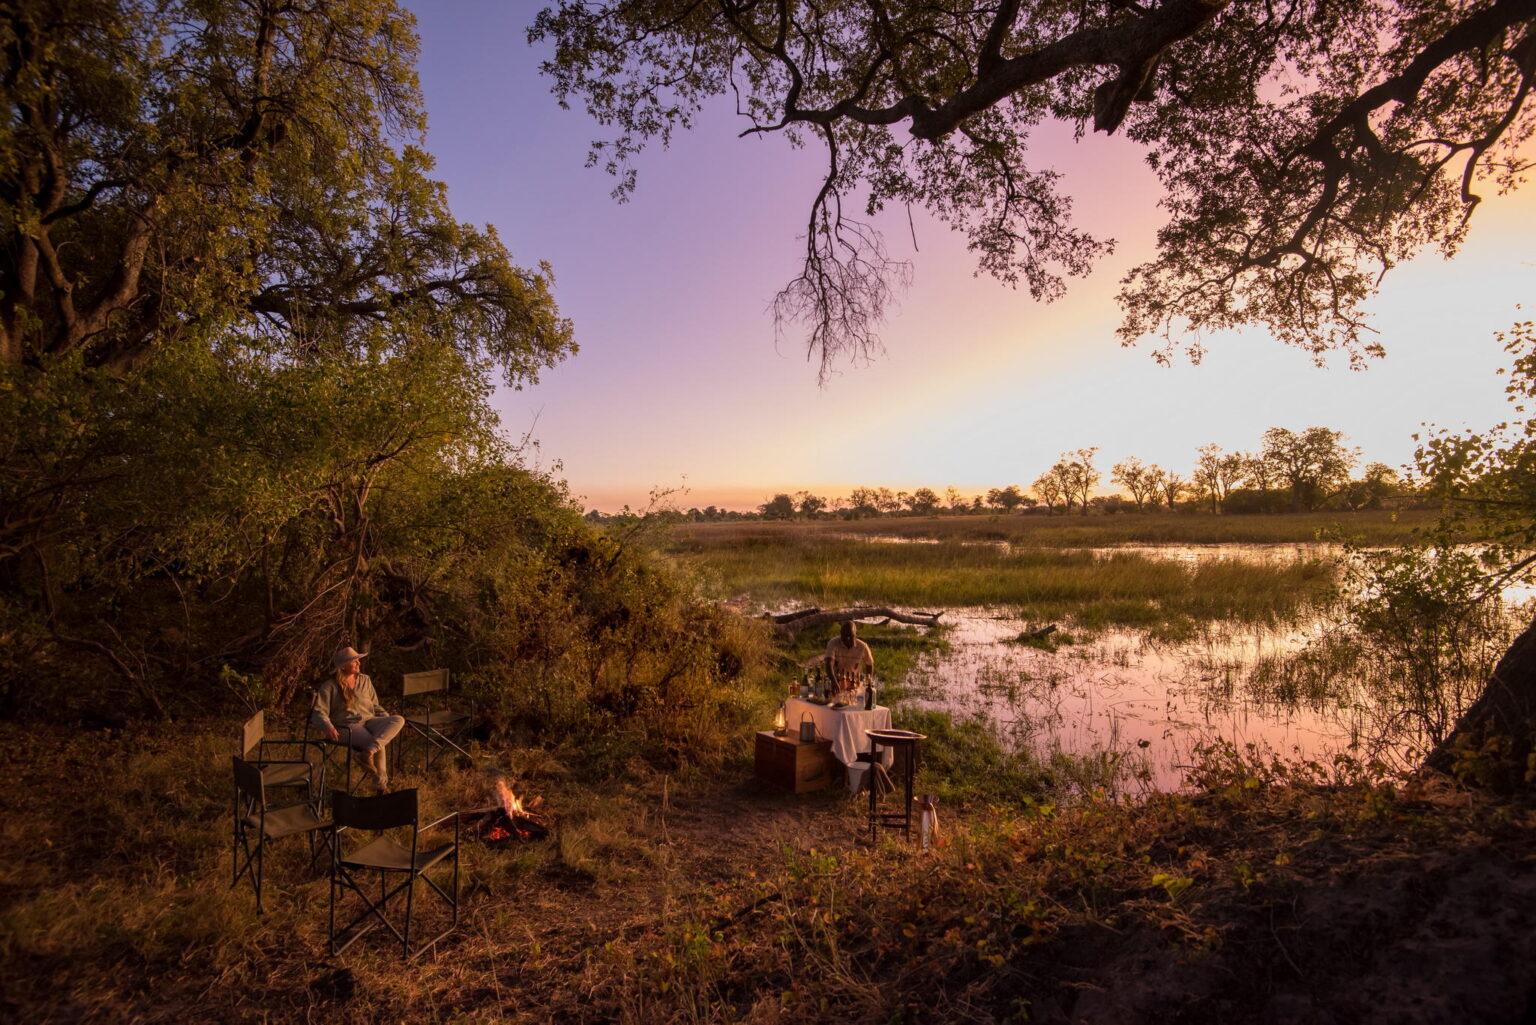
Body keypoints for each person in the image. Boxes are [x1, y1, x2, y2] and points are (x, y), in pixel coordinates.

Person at [311, 645, 404, 794]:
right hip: (346, 727)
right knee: (376, 743)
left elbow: (375, 705)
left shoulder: (365, 680)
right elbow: (318, 711)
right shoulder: (330, 687)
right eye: (354, 661)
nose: (359, 663)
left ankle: (366, 755)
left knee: (398, 720)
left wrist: (386, 720)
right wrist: (327, 726)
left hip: (369, 720)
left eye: (358, 660)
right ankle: (381, 786)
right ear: (343, 667)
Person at [823, 621, 874, 686]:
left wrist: (868, 682)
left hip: (854, 682)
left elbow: (870, 664)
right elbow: (829, 664)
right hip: (836, 680)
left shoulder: (862, 646)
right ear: (840, 635)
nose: (848, 639)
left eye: (850, 636)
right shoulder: (833, 643)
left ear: (855, 635)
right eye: (844, 636)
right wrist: (833, 682)